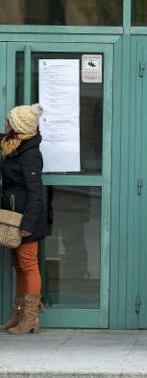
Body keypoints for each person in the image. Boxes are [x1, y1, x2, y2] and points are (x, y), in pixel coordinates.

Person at [0, 104, 45, 335]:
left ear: (19, 127)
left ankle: (31, 318)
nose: (6, 124)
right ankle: (18, 314)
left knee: (28, 265)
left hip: (27, 220)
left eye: (9, 121)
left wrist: (27, 225)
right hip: (12, 217)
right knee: (18, 266)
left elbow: (36, 192)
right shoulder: (12, 145)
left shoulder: (30, 154)